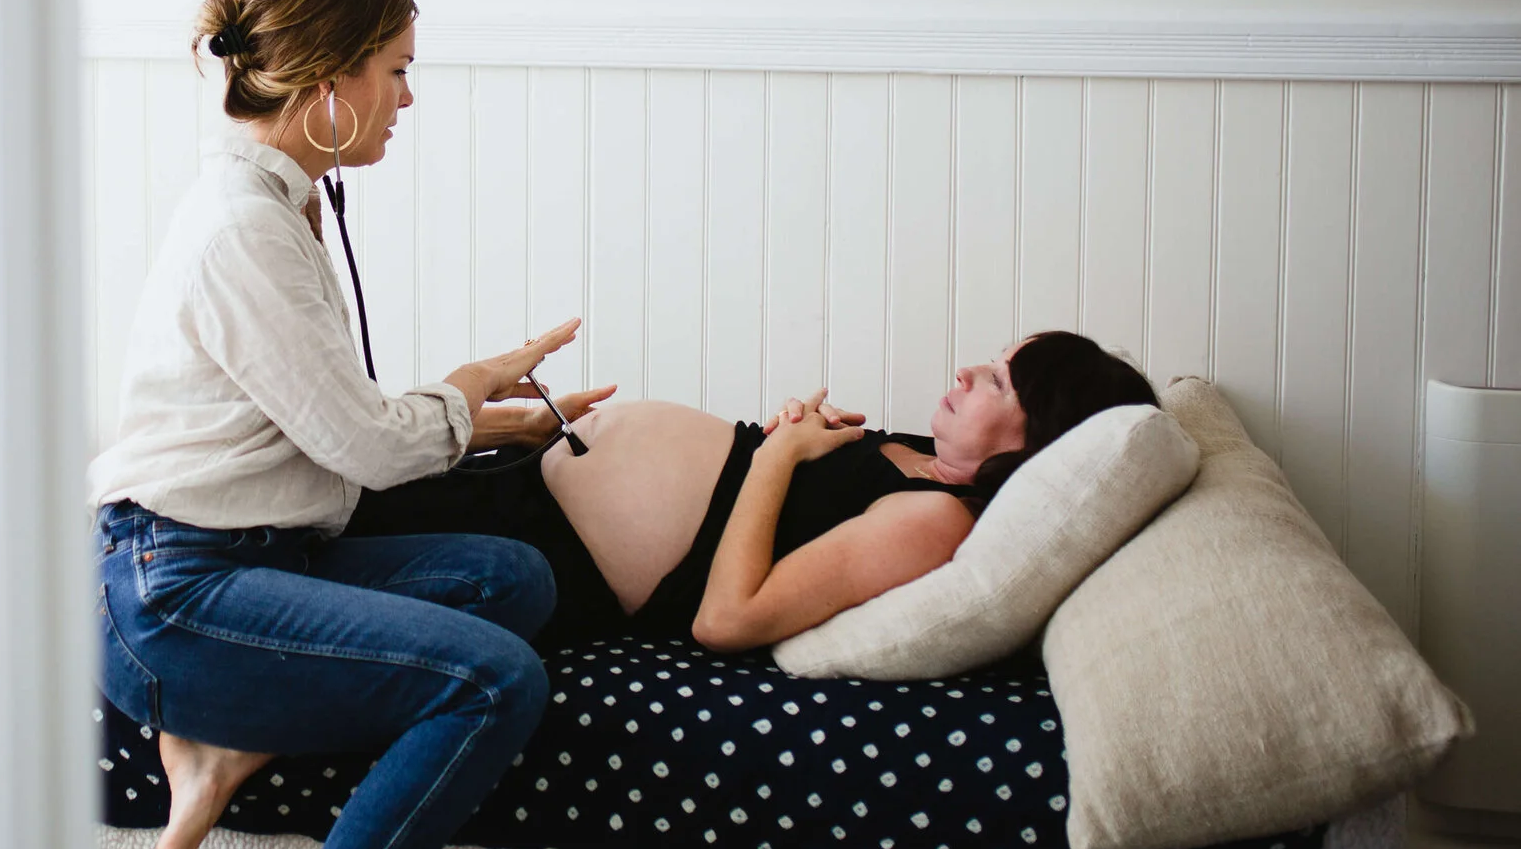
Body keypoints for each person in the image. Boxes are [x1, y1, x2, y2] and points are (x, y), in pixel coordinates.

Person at [90, 0, 614, 849]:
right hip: (174, 592)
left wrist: (486, 412)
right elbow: (366, 447)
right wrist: (468, 390)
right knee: (494, 681)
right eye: (397, 69)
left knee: (510, 577)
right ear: (331, 84)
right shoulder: (243, 228)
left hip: (251, 555)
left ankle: (222, 747)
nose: (407, 98)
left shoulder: (277, 203)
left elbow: (330, 423)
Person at [349, 330, 1161, 654]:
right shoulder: (919, 456)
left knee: (324, 518)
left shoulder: (938, 521)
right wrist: (792, 441)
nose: (966, 370)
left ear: (1035, 440)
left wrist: (778, 457)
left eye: (998, 381)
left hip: (556, 550)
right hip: (528, 478)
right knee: (330, 479)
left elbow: (727, 619)